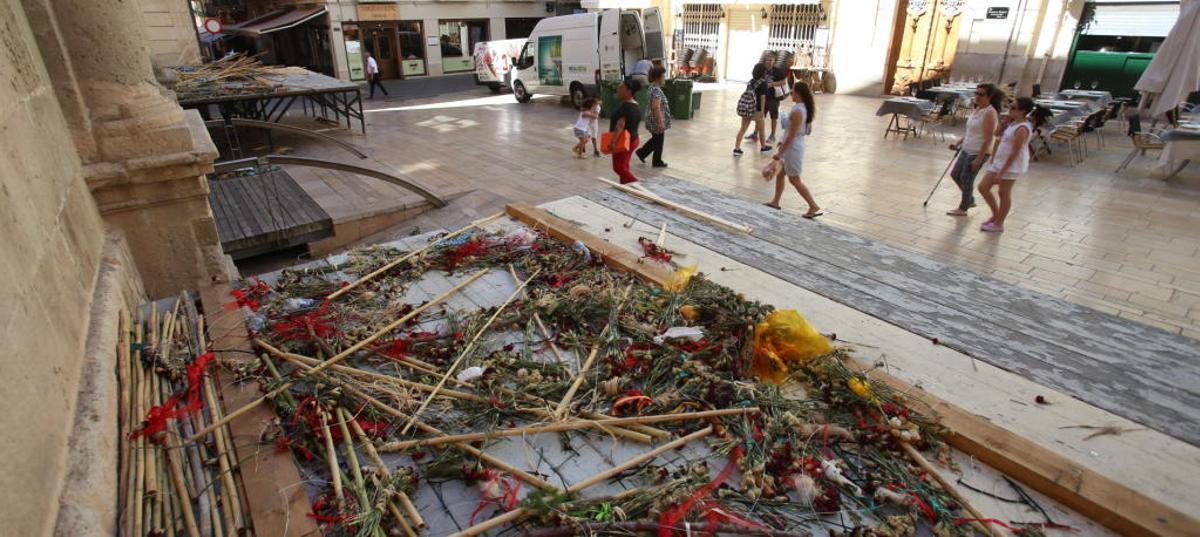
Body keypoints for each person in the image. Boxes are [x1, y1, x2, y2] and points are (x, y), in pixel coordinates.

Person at [977, 97, 1034, 233]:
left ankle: (999, 222)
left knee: (1004, 192)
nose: (1010, 110)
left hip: (1011, 165)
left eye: (1013, 108)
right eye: (1010, 107)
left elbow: (1015, 152)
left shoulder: (1022, 128)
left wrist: (1001, 172)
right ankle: (996, 215)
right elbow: (996, 134)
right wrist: (1004, 123)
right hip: (1000, 161)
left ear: (1023, 111)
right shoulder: (1012, 123)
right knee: (983, 187)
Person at [765, 82, 821, 218]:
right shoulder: (804, 109)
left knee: (794, 179)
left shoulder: (797, 111)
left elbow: (791, 135)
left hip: (793, 148)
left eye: (793, 91)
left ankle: (813, 206)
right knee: (780, 174)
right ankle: (775, 201)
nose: (791, 93)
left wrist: (780, 153)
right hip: (795, 145)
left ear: (799, 93)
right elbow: (804, 131)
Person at [946, 84, 1001, 216]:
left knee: (966, 178)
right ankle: (969, 200)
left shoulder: (990, 112)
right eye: (976, 93)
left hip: (977, 151)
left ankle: (963, 208)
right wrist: (958, 143)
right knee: (955, 174)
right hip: (967, 148)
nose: (976, 96)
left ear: (990, 97)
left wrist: (979, 158)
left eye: (981, 94)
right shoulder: (977, 109)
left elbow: (988, 138)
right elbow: (971, 131)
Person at [608, 78, 643, 184]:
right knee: (624, 167)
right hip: (633, 139)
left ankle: (638, 185)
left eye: (621, 88)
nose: (618, 91)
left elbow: (620, 125)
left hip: (623, 140)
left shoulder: (626, 106)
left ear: (628, 91)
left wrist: (613, 142)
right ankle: (625, 187)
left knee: (619, 168)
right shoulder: (635, 104)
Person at [748, 52, 788, 143]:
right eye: (767, 60)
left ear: (774, 61)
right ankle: (755, 134)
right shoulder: (762, 69)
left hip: (773, 98)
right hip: (762, 97)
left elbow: (783, 82)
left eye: (771, 60)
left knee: (773, 117)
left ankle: (772, 135)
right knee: (760, 116)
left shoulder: (777, 71)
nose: (768, 62)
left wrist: (772, 84)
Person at [733, 63, 772, 156]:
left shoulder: (750, 81)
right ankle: (763, 147)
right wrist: (762, 111)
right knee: (761, 129)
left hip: (748, 108)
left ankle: (737, 148)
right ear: (763, 72)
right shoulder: (763, 83)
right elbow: (763, 98)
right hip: (757, 109)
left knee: (742, 129)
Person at [636, 66, 671, 168]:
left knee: (657, 139)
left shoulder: (652, 87)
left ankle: (644, 154)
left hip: (652, 118)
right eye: (663, 76)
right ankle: (656, 161)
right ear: (658, 78)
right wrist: (660, 122)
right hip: (655, 119)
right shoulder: (656, 90)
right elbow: (656, 107)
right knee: (658, 140)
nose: (664, 78)